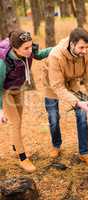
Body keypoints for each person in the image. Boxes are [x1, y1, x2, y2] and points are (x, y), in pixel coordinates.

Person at [43, 27, 88, 165]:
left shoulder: (85, 53)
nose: (85, 51)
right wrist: (77, 102)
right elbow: (58, 86)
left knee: (82, 115)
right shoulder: (55, 56)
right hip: (53, 85)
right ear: (72, 44)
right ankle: (56, 145)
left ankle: (84, 152)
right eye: (81, 47)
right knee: (54, 117)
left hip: (72, 82)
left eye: (87, 47)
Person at [0, 30, 52, 172]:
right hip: (5, 92)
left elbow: (39, 55)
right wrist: (0, 110)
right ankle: (23, 158)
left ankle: (15, 145)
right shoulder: (3, 62)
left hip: (18, 88)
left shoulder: (29, 51)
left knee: (18, 121)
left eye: (30, 46)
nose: (30, 51)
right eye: (26, 48)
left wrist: (58, 48)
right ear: (15, 49)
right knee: (15, 122)